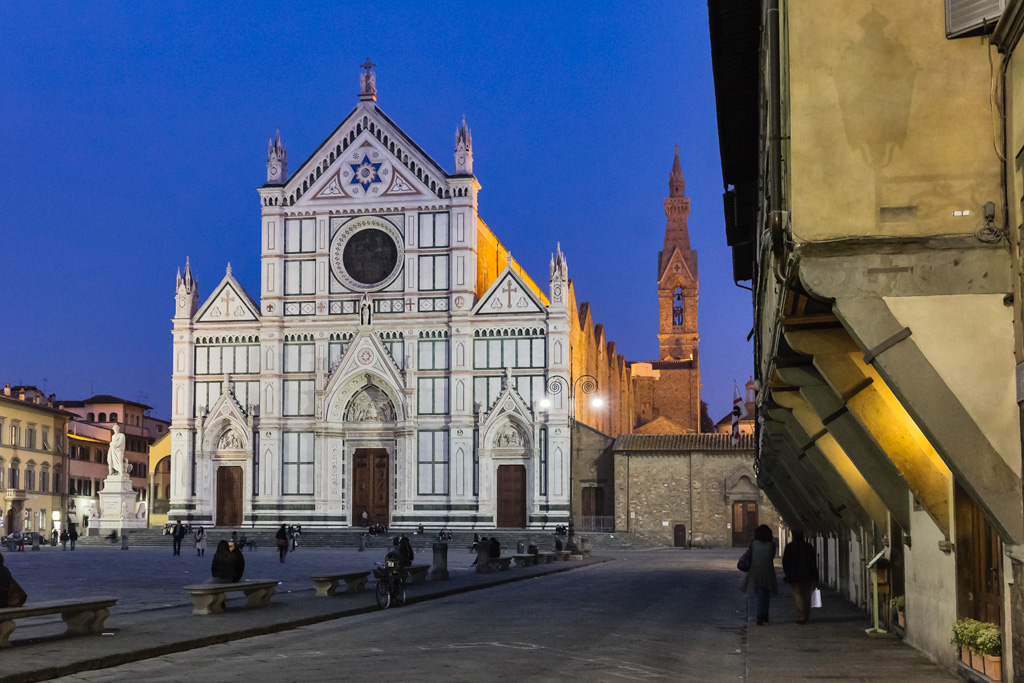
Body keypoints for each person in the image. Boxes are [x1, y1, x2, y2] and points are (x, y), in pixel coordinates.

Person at [740, 524, 778, 625]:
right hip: (768, 571)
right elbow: (772, 556)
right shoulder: (771, 544)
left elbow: (750, 554)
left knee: (758, 594)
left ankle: (759, 616)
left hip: (755, 571)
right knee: (766, 594)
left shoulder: (754, 544)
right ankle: (765, 613)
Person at [782, 529, 818, 624]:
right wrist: (815, 574)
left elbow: (785, 562)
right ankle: (806, 614)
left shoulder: (790, 547)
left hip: (795, 575)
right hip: (808, 574)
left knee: (798, 595)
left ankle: (801, 616)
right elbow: (813, 561)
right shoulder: (808, 547)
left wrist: (787, 573)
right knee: (806, 595)